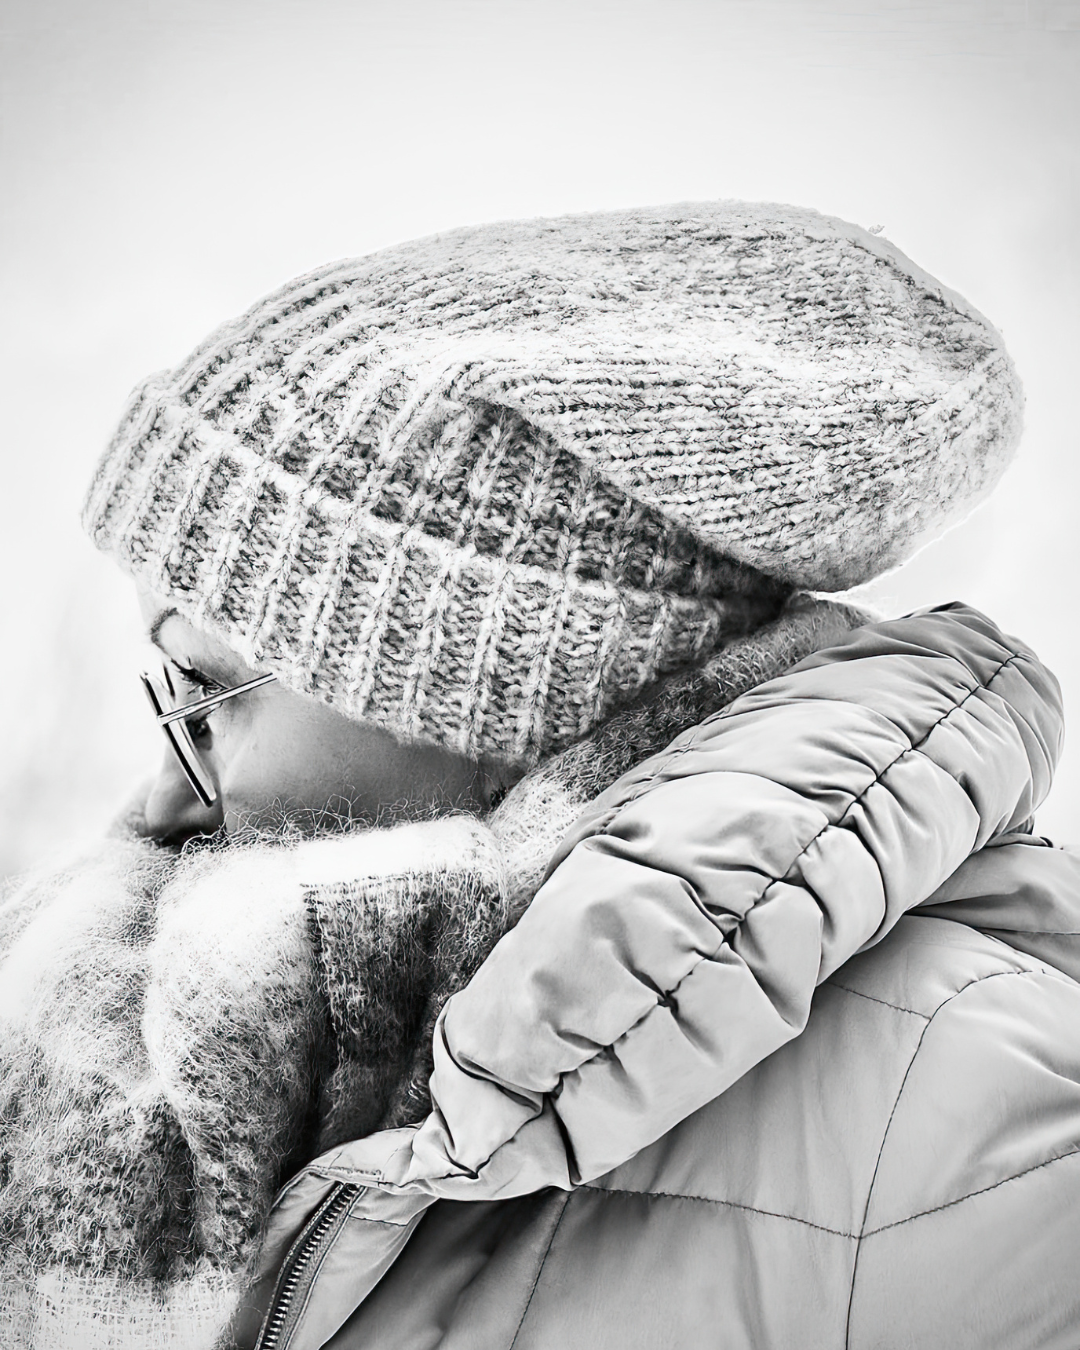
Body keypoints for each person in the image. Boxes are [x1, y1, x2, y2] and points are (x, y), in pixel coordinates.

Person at [3, 202, 1079, 1350]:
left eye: (202, 692)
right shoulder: (295, 1058)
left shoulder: (990, 1145)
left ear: (484, 687)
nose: (163, 802)